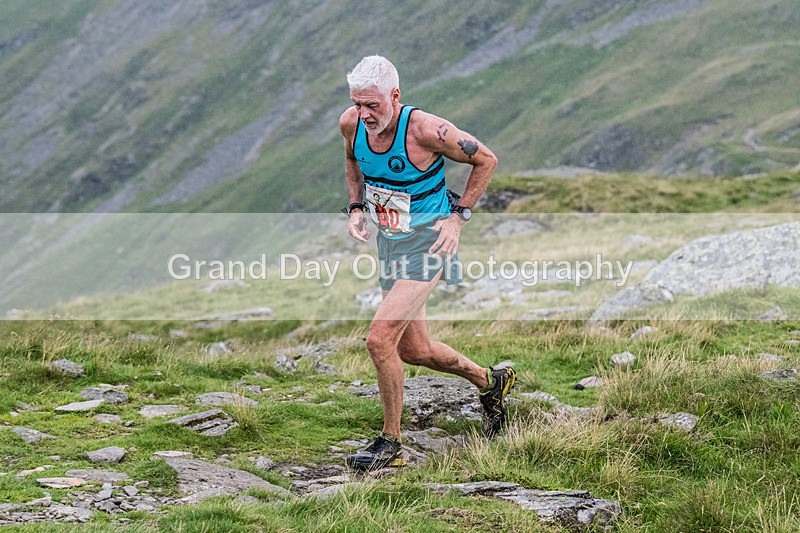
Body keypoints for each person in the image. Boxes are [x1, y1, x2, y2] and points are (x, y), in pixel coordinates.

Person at [338, 55, 515, 471]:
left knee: (379, 341)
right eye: (357, 104)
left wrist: (458, 217)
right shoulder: (351, 123)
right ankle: (491, 382)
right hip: (392, 245)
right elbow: (351, 159)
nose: (363, 115)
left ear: (394, 96)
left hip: (429, 245)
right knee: (415, 350)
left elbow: (485, 159)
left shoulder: (424, 130)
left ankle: (390, 445)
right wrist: (356, 206)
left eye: (373, 106)